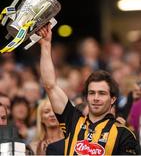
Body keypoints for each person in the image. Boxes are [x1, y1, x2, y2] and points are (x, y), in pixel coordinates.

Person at [38, 23, 140, 155]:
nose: (96, 98)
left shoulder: (124, 134)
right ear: (86, 97)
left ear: (113, 99)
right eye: (92, 93)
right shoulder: (73, 120)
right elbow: (50, 85)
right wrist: (46, 45)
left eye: (102, 93)